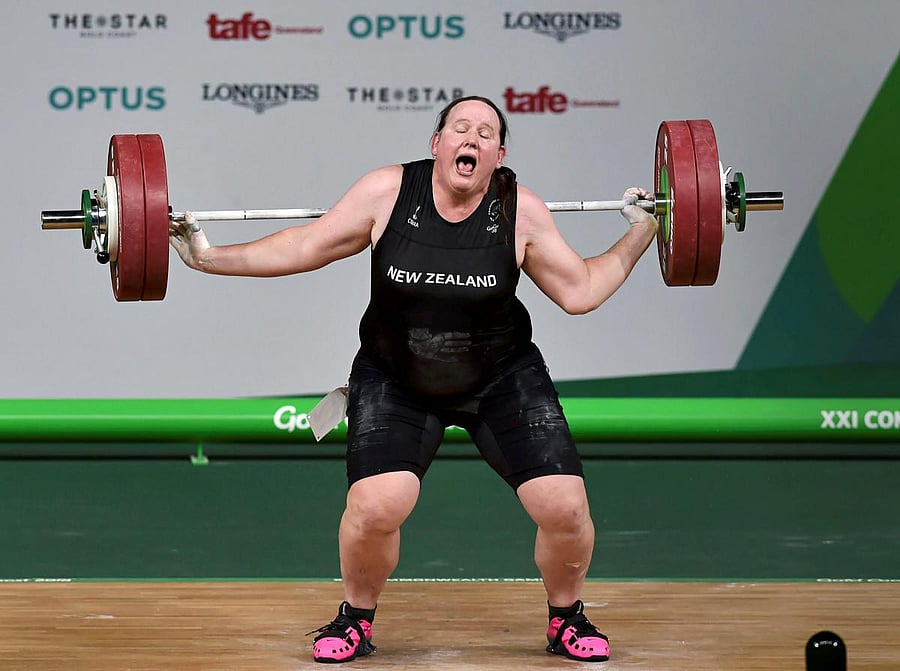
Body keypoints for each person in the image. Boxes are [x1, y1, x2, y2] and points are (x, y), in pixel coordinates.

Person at [169, 95, 658, 663]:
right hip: (395, 374)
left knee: (565, 506)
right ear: (437, 144)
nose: (471, 138)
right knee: (378, 506)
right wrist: (206, 257)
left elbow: (581, 292)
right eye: (460, 128)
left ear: (499, 156)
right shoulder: (387, 192)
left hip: (500, 376)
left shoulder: (519, 210)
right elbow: (305, 245)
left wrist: (645, 230)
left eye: (486, 133)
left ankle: (566, 617)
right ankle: (355, 619)